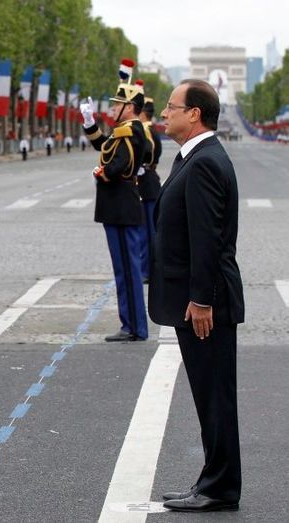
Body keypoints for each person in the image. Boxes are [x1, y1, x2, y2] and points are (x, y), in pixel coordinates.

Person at [151, 79, 244, 513]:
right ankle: (212, 482)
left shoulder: (204, 162)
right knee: (210, 397)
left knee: (215, 397)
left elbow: (206, 238)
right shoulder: (196, 156)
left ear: (195, 114)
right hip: (199, 299)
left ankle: (220, 488)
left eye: (171, 107)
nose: (164, 114)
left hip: (206, 303)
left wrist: (202, 299)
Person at [80, 59, 148, 342]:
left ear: (129, 107)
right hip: (117, 207)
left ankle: (134, 327)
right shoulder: (123, 131)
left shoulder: (131, 131)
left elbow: (119, 163)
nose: (111, 108)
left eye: (115, 104)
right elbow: (103, 145)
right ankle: (130, 324)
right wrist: (89, 123)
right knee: (122, 268)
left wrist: (103, 173)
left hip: (121, 206)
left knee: (128, 269)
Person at [136, 96, 162, 281]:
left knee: (146, 232)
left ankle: (147, 270)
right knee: (148, 230)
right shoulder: (150, 130)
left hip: (145, 184)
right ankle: (148, 268)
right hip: (149, 182)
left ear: (142, 112)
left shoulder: (145, 131)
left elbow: (146, 153)